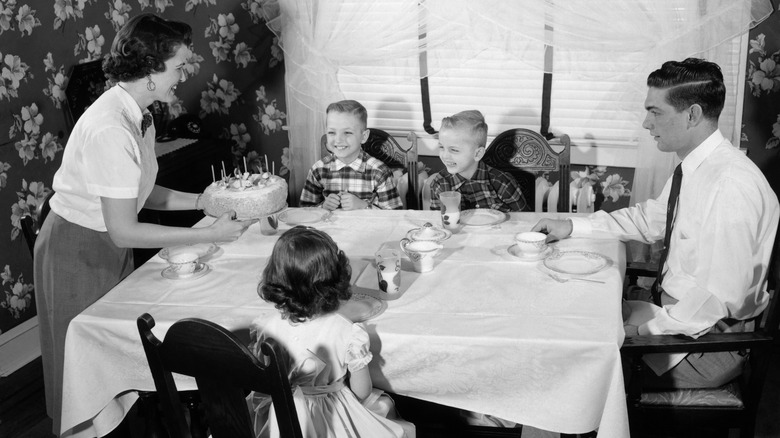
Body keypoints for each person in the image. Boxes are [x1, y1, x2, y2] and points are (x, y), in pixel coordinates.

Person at [33, 13, 252, 432]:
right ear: (151, 71)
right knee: (86, 368)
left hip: (105, 243)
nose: (183, 76)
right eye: (178, 67)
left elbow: (136, 190)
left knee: (113, 360)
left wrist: (204, 200)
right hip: (74, 249)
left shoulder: (140, 113)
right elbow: (124, 228)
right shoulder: (110, 128)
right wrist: (206, 233)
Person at [532, 58, 780, 389]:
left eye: (655, 111)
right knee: (563, 313)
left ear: (692, 114)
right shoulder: (699, 168)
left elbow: (715, 300)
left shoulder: (729, 185)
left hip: (705, 344)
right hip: (678, 317)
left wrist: (640, 332)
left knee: (563, 368)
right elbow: (651, 219)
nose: (646, 123)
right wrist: (574, 227)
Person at [247, 226, 415, 437]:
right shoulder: (346, 331)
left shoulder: (263, 326)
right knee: (383, 408)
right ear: (334, 279)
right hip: (329, 421)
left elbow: (260, 377)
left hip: (279, 420)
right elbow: (361, 392)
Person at [299, 100, 403, 210]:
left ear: (363, 137)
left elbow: (395, 216)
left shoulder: (380, 172)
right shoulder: (317, 170)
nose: (338, 140)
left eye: (347, 132)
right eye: (332, 132)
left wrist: (364, 206)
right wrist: (323, 206)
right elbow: (304, 211)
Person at [428, 110, 527, 212]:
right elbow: (438, 224)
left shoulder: (501, 182)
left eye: (454, 150)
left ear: (478, 154)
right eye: (441, 147)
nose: (445, 155)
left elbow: (525, 221)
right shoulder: (439, 184)